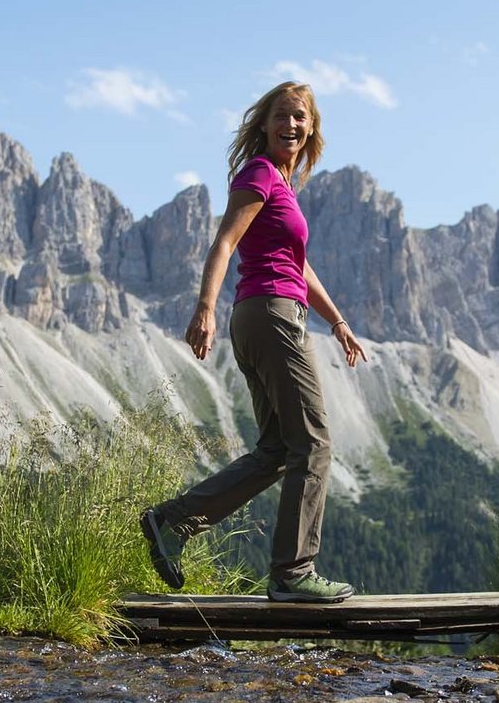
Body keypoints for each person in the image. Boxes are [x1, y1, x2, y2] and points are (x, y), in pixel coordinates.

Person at [139, 81, 368, 603]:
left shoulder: (283, 184)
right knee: (312, 443)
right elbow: (226, 240)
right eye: (283, 116)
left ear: (312, 130)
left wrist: (337, 322)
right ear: (263, 124)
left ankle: (171, 522)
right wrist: (203, 309)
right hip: (270, 314)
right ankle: (293, 573)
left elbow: (298, 265)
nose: (292, 125)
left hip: (268, 312)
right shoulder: (260, 173)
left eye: (301, 118)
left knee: (275, 449)